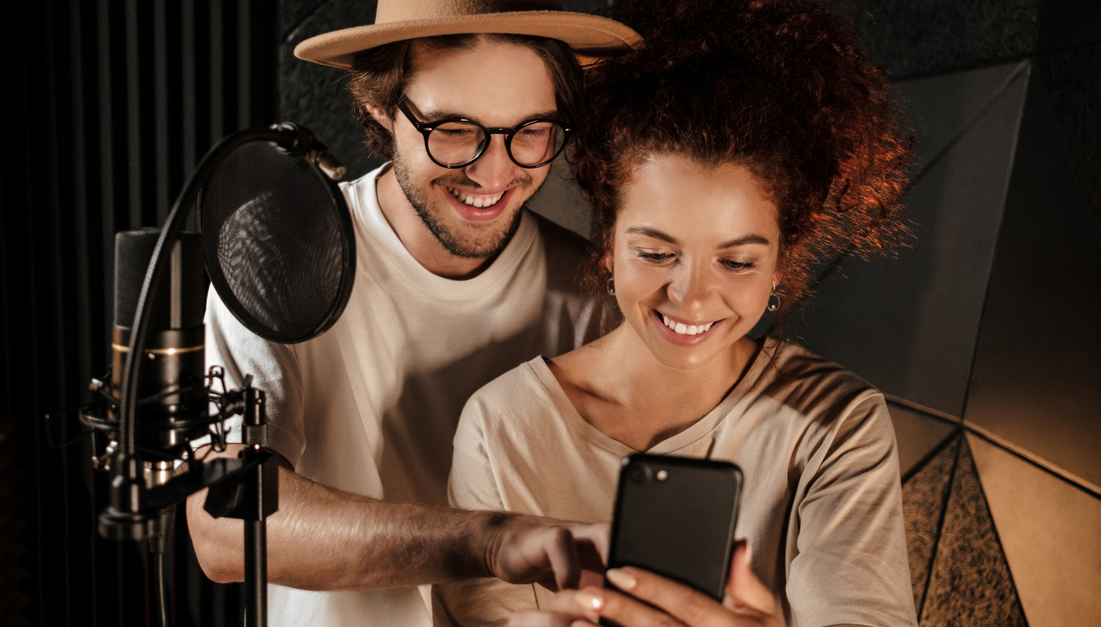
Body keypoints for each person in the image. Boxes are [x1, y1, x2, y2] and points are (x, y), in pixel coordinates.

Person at [435, 0, 918, 626]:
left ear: (780, 263)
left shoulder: (834, 426)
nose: (690, 297)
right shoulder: (501, 428)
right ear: (608, 243)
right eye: (657, 252)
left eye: (737, 263)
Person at [185, 1, 640, 626]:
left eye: (531, 130)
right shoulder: (277, 259)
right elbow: (224, 529)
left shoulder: (601, 297)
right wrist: (487, 542)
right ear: (378, 104)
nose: (494, 170)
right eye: (454, 128)